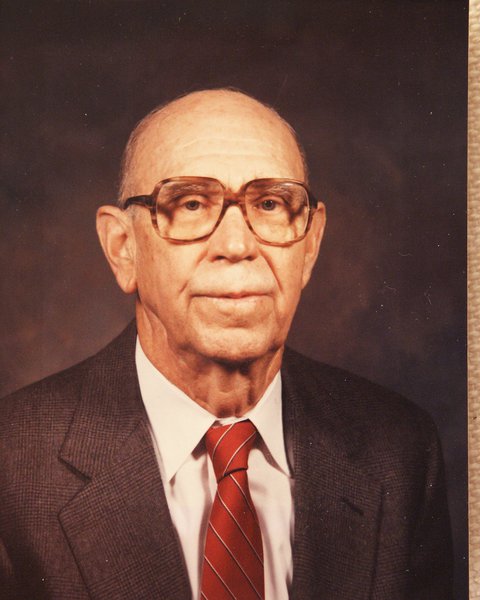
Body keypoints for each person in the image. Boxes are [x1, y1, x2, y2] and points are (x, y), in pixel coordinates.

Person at [0, 89, 453, 600]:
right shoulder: (12, 463)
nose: (237, 246)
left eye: (270, 204)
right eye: (191, 204)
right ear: (123, 248)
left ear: (309, 246)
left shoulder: (400, 450)